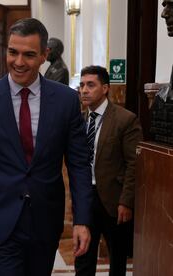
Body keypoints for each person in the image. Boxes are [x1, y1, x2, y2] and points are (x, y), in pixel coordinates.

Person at [0, 18, 93, 276]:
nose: (18, 62)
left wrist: (82, 220)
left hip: (45, 221)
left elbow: (79, 164)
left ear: (44, 55)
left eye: (28, 55)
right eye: (12, 52)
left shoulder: (66, 100)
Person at [75, 66, 142, 276]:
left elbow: (134, 164)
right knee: (83, 255)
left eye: (90, 85)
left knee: (117, 257)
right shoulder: (79, 120)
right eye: (82, 85)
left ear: (105, 88)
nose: (84, 90)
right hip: (86, 198)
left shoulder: (125, 119)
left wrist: (126, 201)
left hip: (114, 200)